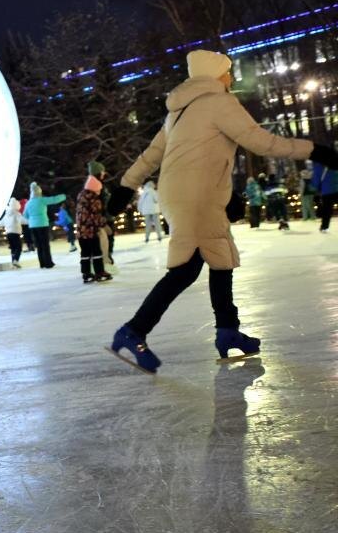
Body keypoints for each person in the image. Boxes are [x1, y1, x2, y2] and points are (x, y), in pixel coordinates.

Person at [106, 50, 338, 373]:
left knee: (219, 257)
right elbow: (263, 143)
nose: (230, 78)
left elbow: (151, 156)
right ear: (216, 75)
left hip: (182, 193)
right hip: (196, 195)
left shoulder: (178, 111)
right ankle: (133, 330)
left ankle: (227, 330)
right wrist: (315, 150)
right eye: (227, 72)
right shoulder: (219, 102)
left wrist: (126, 186)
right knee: (186, 269)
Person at [75, 173, 112, 283]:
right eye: (98, 189)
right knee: (96, 252)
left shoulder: (81, 197)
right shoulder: (94, 199)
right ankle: (99, 272)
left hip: (81, 232)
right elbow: (96, 216)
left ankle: (86, 273)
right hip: (91, 231)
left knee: (85, 253)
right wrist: (104, 225)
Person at [22, 182, 65, 269]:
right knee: (45, 244)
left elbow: (25, 215)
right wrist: (63, 196)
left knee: (39, 245)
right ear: (39, 192)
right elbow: (53, 199)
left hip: (33, 226)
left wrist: (32, 217)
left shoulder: (28, 203)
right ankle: (48, 263)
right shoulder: (42, 200)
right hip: (42, 224)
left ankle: (42, 263)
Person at [2, 197, 26, 268]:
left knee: (13, 248)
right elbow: (22, 220)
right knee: (18, 247)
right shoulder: (16, 213)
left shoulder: (7, 214)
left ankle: (13, 262)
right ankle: (16, 260)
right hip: (15, 232)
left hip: (8, 233)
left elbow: (2, 222)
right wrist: (30, 222)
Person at [313, 164, 338, 232]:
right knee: (327, 209)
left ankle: (324, 226)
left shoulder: (320, 167)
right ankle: (324, 226)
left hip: (327, 191)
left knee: (327, 210)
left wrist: (317, 189)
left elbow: (316, 180)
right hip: (332, 189)